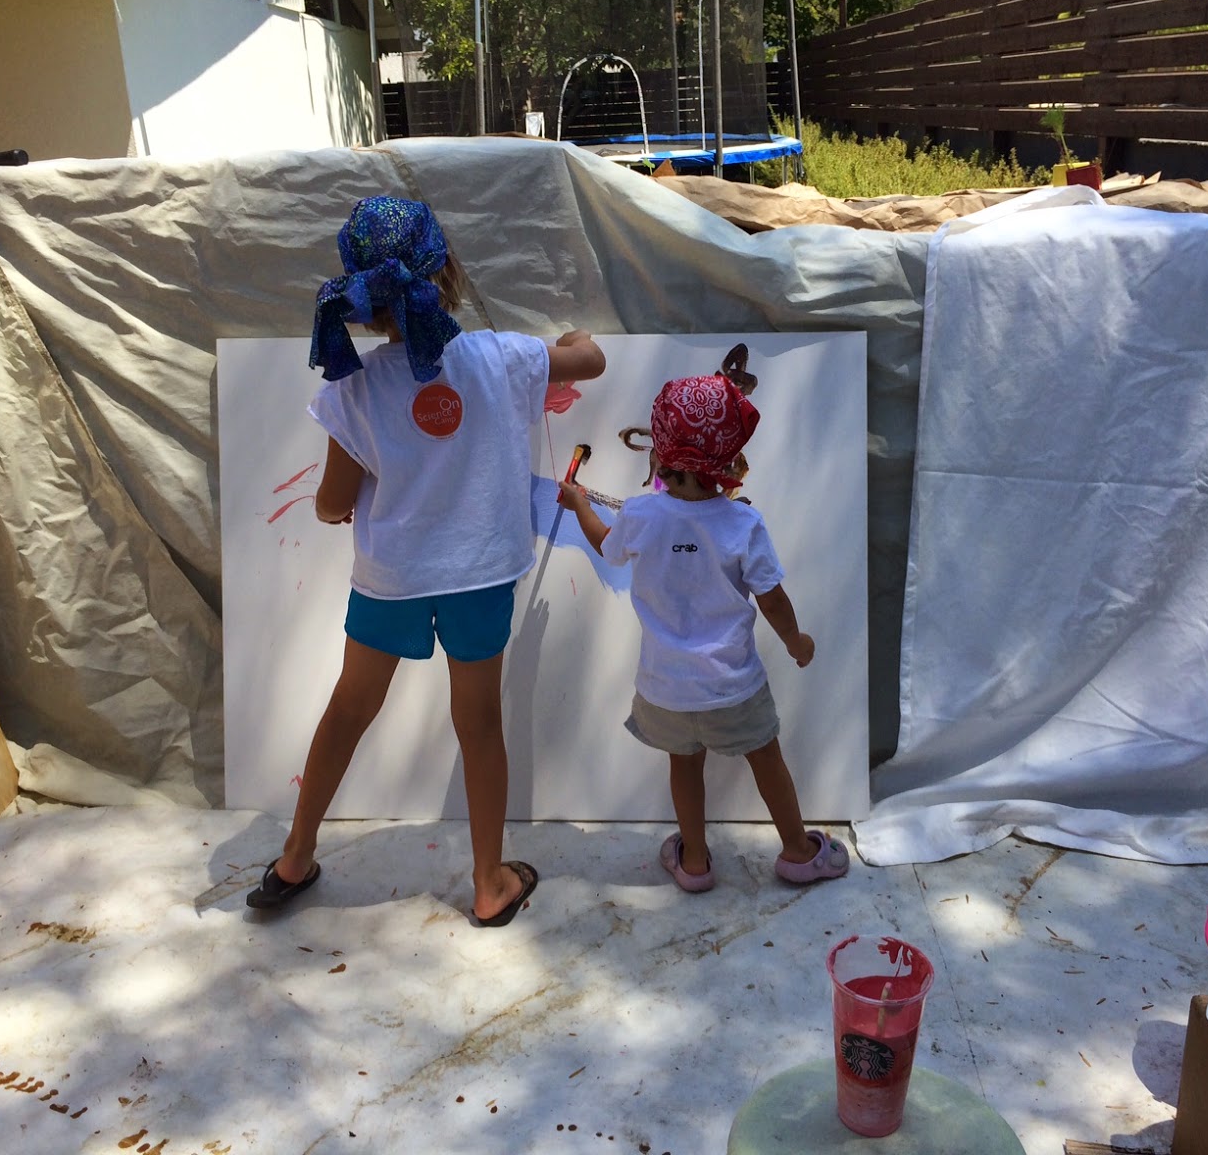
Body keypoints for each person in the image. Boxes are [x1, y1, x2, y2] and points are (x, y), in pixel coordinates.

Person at [248, 195, 605, 926]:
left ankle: (294, 857)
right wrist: (572, 335)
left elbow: (333, 500)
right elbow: (590, 359)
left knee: (349, 710)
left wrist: (332, 508)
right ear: (448, 270)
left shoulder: (354, 387)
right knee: (479, 726)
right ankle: (489, 883)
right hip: (480, 578)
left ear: (365, 298)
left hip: (391, 582)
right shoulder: (505, 357)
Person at [557, 372, 849, 892]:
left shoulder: (641, 513)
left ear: (660, 445)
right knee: (767, 760)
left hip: (665, 688)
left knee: (685, 767)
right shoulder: (742, 523)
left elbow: (606, 545)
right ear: (730, 453)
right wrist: (797, 643)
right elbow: (772, 599)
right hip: (733, 687)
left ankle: (694, 864)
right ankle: (800, 852)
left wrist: (580, 502)